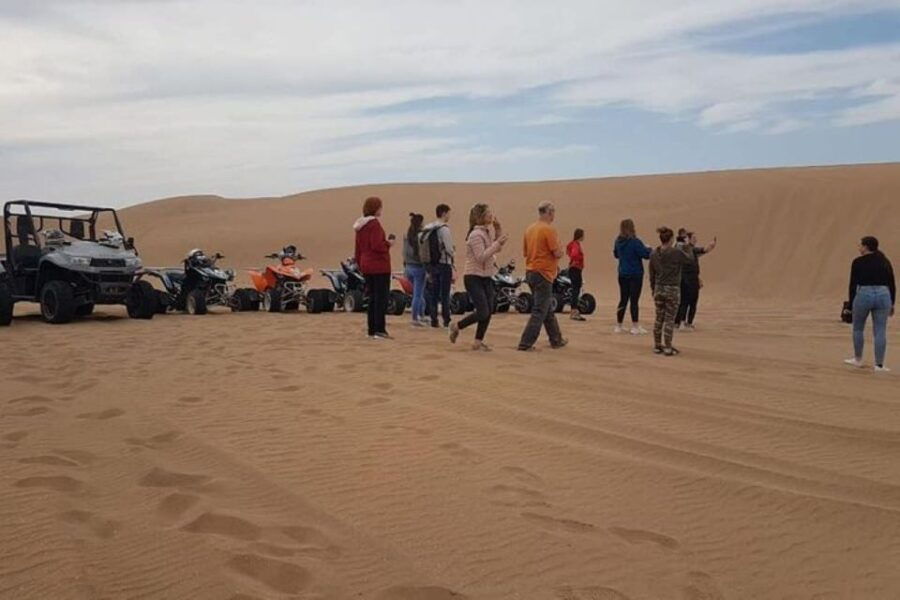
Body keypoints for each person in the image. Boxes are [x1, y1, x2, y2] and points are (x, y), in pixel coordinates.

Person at [449, 204, 508, 350]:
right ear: (480, 217)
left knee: (489, 310)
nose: (491, 215)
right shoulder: (475, 235)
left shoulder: (486, 232)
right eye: (488, 213)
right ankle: (456, 326)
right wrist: (497, 243)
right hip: (473, 277)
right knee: (483, 311)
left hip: (486, 276)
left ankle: (478, 341)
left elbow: (495, 249)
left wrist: (498, 231)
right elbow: (481, 256)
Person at [518, 201, 567, 351]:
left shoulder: (529, 229)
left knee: (546, 309)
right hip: (543, 273)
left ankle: (556, 339)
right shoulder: (548, 230)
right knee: (540, 310)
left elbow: (526, 252)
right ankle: (525, 343)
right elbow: (557, 252)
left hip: (531, 272)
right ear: (548, 212)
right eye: (553, 212)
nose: (553, 216)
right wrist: (560, 252)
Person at [844, 236, 895, 372]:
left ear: (866, 247)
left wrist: (849, 304)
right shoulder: (884, 261)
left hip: (864, 293)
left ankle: (858, 359)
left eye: (860, 245)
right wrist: (892, 303)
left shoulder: (858, 262)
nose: (859, 248)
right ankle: (879, 365)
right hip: (884, 294)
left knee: (858, 328)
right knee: (880, 330)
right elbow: (892, 283)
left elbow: (853, 284)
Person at [353, 196, 394, 340]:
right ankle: (380, 329)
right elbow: (377, 245)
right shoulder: (374, 224)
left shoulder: (360, 226)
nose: (381, 209)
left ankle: (371, 330)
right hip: (379, 266)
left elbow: (358, 249)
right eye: (380, 206)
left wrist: (360, 263)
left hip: (366, 265)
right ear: (376, 208)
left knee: (371, 298)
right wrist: (388, 244)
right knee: (380, 298)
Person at [649, 227, 693, 356]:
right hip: (672, 289)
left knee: (659, 318)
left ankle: (657, 345)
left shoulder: (654, 254)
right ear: (671, 239)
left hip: (659, 288)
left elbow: (652, 274)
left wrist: (653, 288)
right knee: (669, 319)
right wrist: (687, 246)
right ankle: (668, 347)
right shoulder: (676, 253)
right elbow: (689, 260)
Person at [613, 219, 652, 334]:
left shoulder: (618, 241)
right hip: (635, 274)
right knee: (634, 300)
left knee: (623, 299)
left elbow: (616, 254)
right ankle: (635, 326)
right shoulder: (635, 242)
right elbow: (646, 255)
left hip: (622, 273)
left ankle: (619, 325)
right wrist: (649, 248)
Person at [675, 231, 717, 330]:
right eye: (693, 238)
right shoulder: (682, 249)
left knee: (693, 302)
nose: (695, 240)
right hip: (685, 279)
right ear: (688, 239)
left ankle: (689, 323)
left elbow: (704, 250)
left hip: (693, 279)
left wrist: (711, 245)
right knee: (684, 302)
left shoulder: (693, 250)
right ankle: (681, 322)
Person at [425, 203, 455, 329]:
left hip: (432, 264)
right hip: (444, 263)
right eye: (448, 213)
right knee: (445, 293)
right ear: (443, 213)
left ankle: (433, 319)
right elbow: (449, 249)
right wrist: (453, 252)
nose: (449, 216)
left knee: (433, 292)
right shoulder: (444, 229)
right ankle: (446, 319)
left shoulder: (428, 227)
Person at [403, 213, 427, 327]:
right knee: (418, 294)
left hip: (408, 267)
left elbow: (404, 252)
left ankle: (421, 316)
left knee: (418, 293)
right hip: (418, 267)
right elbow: (422, 254)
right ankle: (415, 318)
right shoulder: (420, 236)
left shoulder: (407, 236)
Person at [566, 228, 586, 321]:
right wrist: (576, 261)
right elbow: (574, 254)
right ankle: (574, 311)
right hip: (575, 269)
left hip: (575, 269)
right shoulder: (575, 245)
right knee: (575, 290)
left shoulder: (573, 244)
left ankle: (574, 310)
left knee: (576, 289)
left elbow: (569, 252)